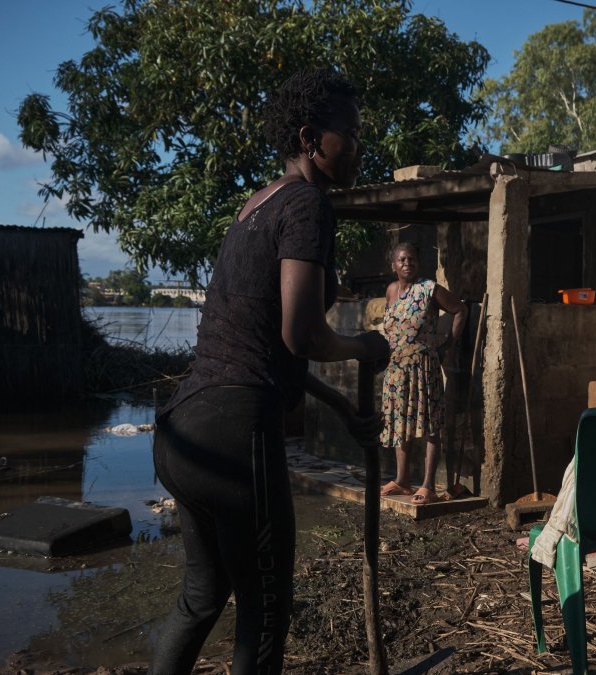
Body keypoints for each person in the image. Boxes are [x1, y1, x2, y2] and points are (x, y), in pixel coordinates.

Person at [150, 70, 389, 675]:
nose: (359, 146)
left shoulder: (255, 205)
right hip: (234, 439)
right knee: (264, 615)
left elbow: (265, 355)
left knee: (201, 598)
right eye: (351, 134)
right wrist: (363, 348)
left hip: (183, 430)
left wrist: (341, 411)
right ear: (311, 139)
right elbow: (301, 335)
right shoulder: (308, 205)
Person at [378, 241, 466, 505]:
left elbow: (460, 309)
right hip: (396, 369)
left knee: (429, 425)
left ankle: (427, 484)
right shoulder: (391, 290)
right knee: (399, 424)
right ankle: (402, 480)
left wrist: (447, 344)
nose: (408, 263)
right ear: (393, 265)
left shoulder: (430, 289)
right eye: (402, 260)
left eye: (412, 259)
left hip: (423, 368)